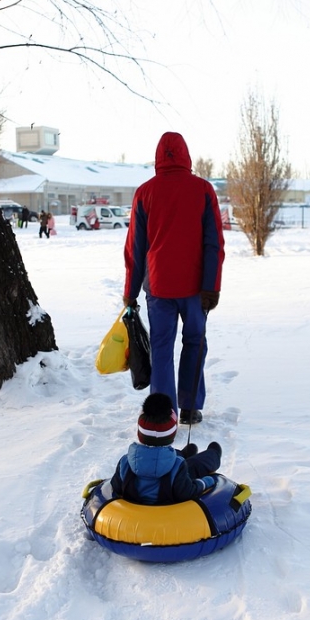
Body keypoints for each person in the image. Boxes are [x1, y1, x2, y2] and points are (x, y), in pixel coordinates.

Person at [123, 132, 225, 425]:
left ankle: (163, 413)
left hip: (159, 286)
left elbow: (135, 248)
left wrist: (131, 291)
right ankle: (190, 408)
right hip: (196, 289)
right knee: (195, 342)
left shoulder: (145, 192)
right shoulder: (204, 190)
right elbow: (213, 243)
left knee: (162, 348)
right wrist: (211, 287)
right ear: (186, 155)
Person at [110, 393, 222, 505]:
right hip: (167, 510)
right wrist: (206, 481)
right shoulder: (178, 467)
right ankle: (214, 453)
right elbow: (188, 492)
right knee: (196, 463)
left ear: (140, 433)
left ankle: (184, 453)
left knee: (178, 455)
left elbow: (115, 488)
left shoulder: (125, 462)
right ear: (171, 436)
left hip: (134, 516)